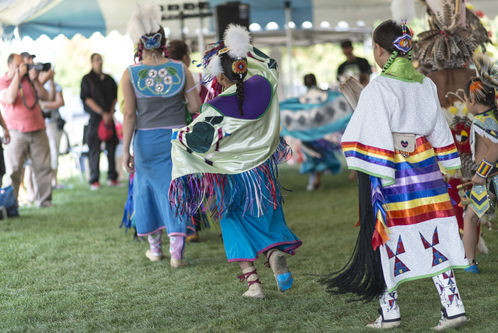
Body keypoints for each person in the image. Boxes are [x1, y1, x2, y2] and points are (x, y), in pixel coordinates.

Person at [321, 20, 468, 330]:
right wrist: (449, 162)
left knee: (384, 236)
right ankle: (453, 306)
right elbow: (440, 129)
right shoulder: (425, 83)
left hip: (392, 175)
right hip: (426, 170)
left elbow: (363, 134)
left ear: (378, 49)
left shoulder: (379, 87)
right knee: (435, 230)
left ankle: (389, 312)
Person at [169, 24, 302, 298]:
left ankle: (254, 284)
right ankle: (275, 252)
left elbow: (195, 139)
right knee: (267, 216)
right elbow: (269, 64)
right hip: (262, 172)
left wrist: (175, 136)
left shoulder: (216, 107)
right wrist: (242, 47)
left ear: (219, 74)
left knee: (231, 220)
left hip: (232, 177)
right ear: (242, 65)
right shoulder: (263, 85)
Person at [122, 3, 202, 267]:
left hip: (145, 142)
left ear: (139, 44)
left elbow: (130, 116)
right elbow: (195, 108)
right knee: (174, 190)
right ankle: (177, 252)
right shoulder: (181, 69)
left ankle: (155, 250)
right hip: (176, 140)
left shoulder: (130, 74)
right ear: (162, 41)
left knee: (146, 191)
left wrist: (126, 151)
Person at [279, 73, 351, 191]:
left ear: (304, 84)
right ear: (315, 81)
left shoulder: (301, 100)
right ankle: (316, 178)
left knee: (313, 158)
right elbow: (338, 101)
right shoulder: (325, 96)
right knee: (322, 156)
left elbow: (291, 109)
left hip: (307, 136)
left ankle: (314, 179)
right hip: (323, 134)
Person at [461, 54, 498, 274]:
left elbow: (495, 147)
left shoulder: (481, 122)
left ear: (472, 100)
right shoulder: (493, 118)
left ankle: (470, 263)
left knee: (470, 217)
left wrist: (481, 174)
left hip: (488, 180)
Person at [0, 53, 52, 208]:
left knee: (43, 167)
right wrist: (18, 76)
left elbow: (46, 96)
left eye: (22, 65)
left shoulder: (28, 79)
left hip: (38, 129)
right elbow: (9, 98)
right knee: (14, 170)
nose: (22, 68)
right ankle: (11, 205)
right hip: (16, 132)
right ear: (10, 66)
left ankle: (44, 201)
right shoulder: (4, 81)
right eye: (18, 66)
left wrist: (35, 79)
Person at [80, 53, 119, 190]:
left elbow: (115, 97)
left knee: (111, 147)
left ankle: (112, 176)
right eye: (97, 60)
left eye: (101, 60)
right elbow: (86, 99)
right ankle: (94, 179)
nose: (99, 62)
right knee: (94, 149)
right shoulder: (87, 79)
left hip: (109, 116)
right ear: (92, 62)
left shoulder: (109, 79)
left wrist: (110, 113)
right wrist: (101, 113)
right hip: (96, 119)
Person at [39, 70, 65, 188]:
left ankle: (54, 180)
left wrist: (45, 105)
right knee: (46, 154)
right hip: (44, 124)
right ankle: (47, 181)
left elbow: (60, 102)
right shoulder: (39, 87)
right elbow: (51, 102)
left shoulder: (55, 86)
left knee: (55, 152)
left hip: (55, 123)